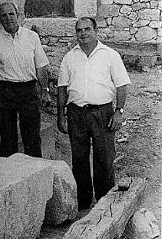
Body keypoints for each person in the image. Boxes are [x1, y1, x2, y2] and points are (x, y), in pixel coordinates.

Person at [57, 17, 131, 210]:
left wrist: (119, 112)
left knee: (104, 158)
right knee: (79, 158)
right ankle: (82, 202)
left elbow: (122, 85)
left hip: (103, 113)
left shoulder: (110, 55)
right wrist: (61, 115)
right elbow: (62, 88)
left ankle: (104, 203)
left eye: (87, 29)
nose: (83, 33)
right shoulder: (69, 57)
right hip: (76, 114)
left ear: (96, 31)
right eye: (79, 30)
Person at [0, 2, 51, 158]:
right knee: (8, 138)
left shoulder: (32, 37)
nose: (8, 18)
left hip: (29, 90)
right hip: (5, 91)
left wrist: (45, 90)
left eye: (11, 14)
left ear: (18, 15)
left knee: (32, 136)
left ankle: (35, 172)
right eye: (4, 15)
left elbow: (41, 66)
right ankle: (12, 176)